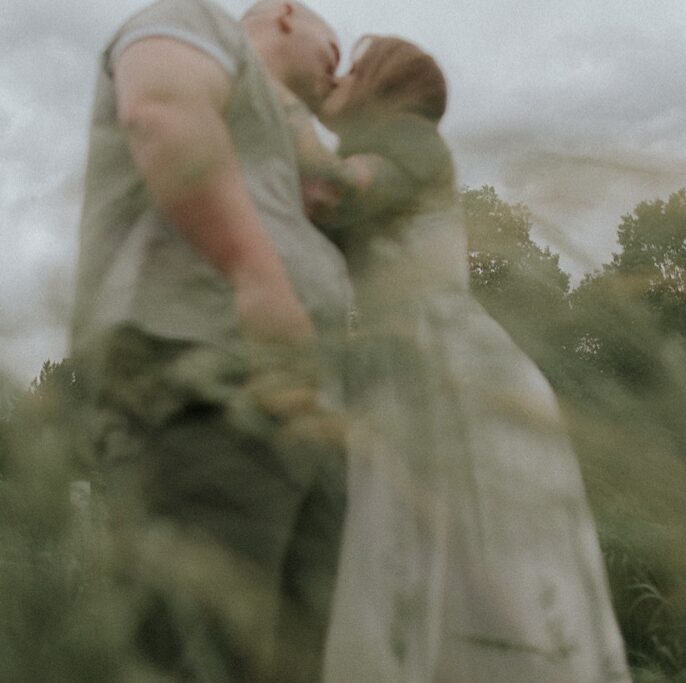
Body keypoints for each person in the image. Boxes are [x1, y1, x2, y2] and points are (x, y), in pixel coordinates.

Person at [280, 36, 632, 680]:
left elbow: (331, 196)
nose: (338, 77)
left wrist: (285, 108)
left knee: (481, 581)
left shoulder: (411, 138)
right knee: (428, 570)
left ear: (384, 88)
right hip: (417, 363)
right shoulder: (384, 147)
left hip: (453, 372)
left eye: (354, 68)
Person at [70, 1, 351, 679]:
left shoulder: (275, 128)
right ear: (285, 14)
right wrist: (259, 280)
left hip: (298, 406)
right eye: (333, 49)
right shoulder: (196, 19)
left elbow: (339, 198)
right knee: (198, 656)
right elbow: (161, 110)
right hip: (207, 376)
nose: (336, 71)